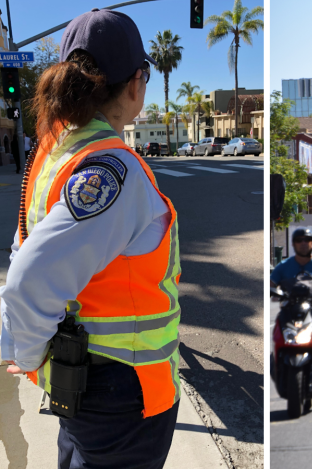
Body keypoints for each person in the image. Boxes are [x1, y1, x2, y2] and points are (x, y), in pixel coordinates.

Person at [0, 9, 181, 468]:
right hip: (123, 395)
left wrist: (24, 349)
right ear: (135, 84)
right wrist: (29, 351)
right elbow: (28, 280)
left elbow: (22, 249)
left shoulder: (57, 151)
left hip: (83, 383)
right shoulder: (114, 171)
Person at [270, 228, 312, 371]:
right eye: (299, 240)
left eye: (307, 240)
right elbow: (270, 286)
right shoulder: (283, 266)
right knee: (277, 325)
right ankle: (276, 360)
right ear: (293, 244)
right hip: (290, 310)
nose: (303, 243)